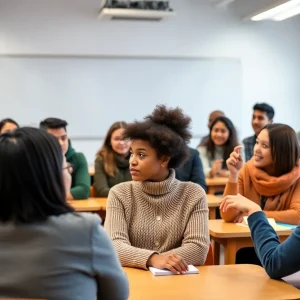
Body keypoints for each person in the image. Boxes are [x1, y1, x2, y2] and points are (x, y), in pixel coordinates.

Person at [0, 127, 129, 300]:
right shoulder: (84, 231)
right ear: (49, 177)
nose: (69, 172)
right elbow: (117, 295)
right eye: (65, 167)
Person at [104, 105, 210, 274]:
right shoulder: (119, 193)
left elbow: (198, 249)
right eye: (131, 153)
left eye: (141, 155)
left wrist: (161, 261)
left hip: (179, 284)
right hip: (133, 283)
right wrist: (154, 259)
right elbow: (114, 246)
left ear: (164, 159)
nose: (132, 161)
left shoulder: (193, 193)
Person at [221, 124, 300, 264]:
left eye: (265, 146)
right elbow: (227, 214)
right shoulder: (246, 170)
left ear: (282, 151)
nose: (256, 149)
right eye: (257, 142)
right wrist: (233, 174)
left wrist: (254, 215)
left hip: (282, 252)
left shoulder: (297, 176)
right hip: (247, 245)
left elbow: (296, 216)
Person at [220, 194, 300, 279]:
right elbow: (227, 212)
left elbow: (274, 263)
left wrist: (255, 211)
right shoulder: (245, 180)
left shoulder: (295, 182)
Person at [40, 118, 90, 200]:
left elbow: (83, 190)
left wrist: (52, 198)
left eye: (63, 138)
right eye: (54, 139)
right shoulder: (36, 159)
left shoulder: (78, 157)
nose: (61, 143)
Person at [94, 121, 131, 197]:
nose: (122, 142)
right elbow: (101, 191)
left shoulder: (140, 159)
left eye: (125, 139)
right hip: (111, 205)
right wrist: (129, 195)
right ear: (109, 141)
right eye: (117, 139)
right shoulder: (101, 160)